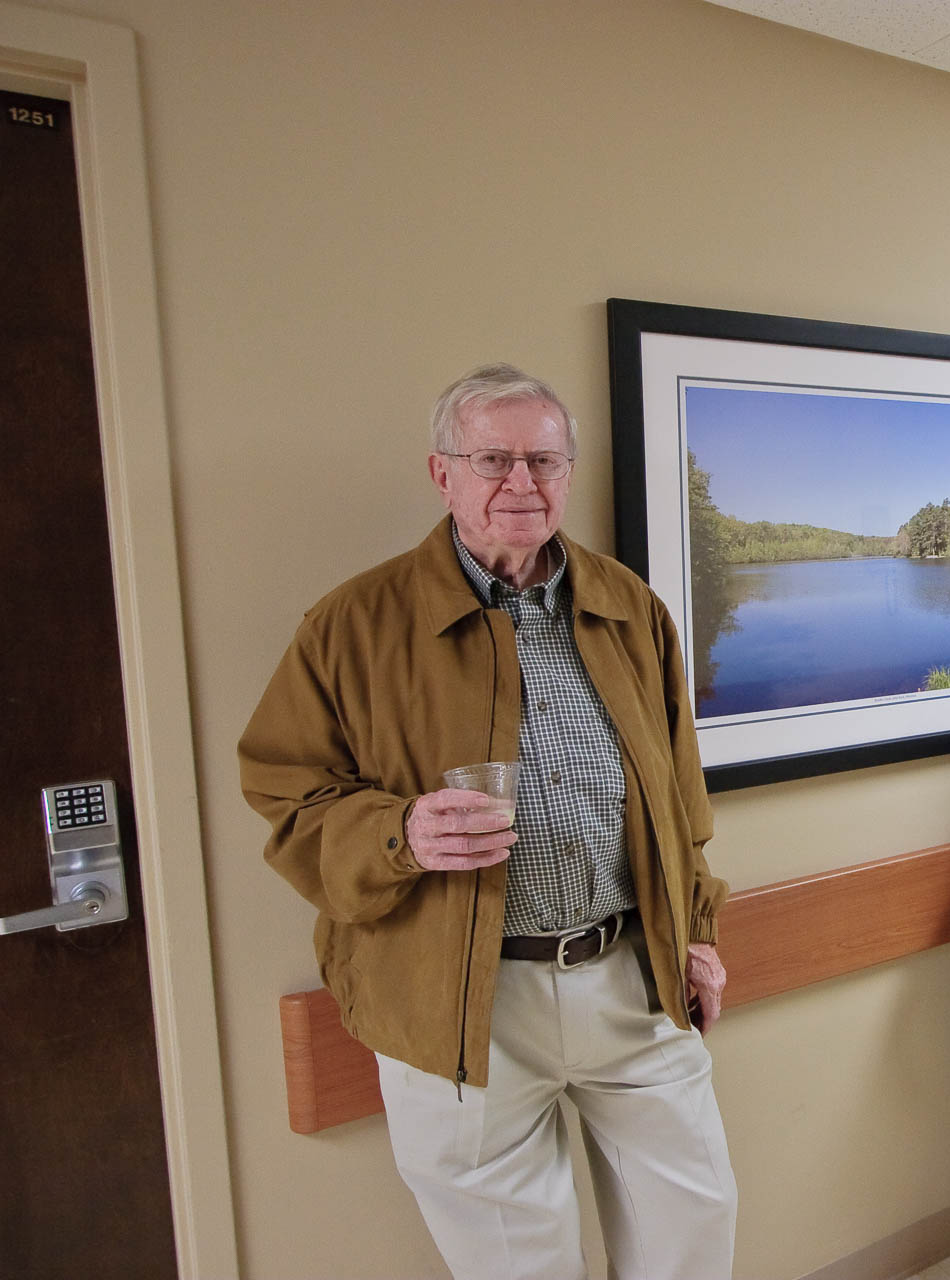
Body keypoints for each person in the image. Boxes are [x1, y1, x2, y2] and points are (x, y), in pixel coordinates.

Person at [239, 364, 736, 1279]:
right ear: (443, 474)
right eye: (494, 459)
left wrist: (696, 931)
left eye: (544, 460)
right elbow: (284, 791)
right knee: (516, 1268)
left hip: (631, 974)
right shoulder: (351, 625)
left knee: (693, 1238)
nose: (522, 483)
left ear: (568, 470)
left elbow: (680, 799)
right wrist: (402, 835)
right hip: (458, 1000)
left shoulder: (631, 608)